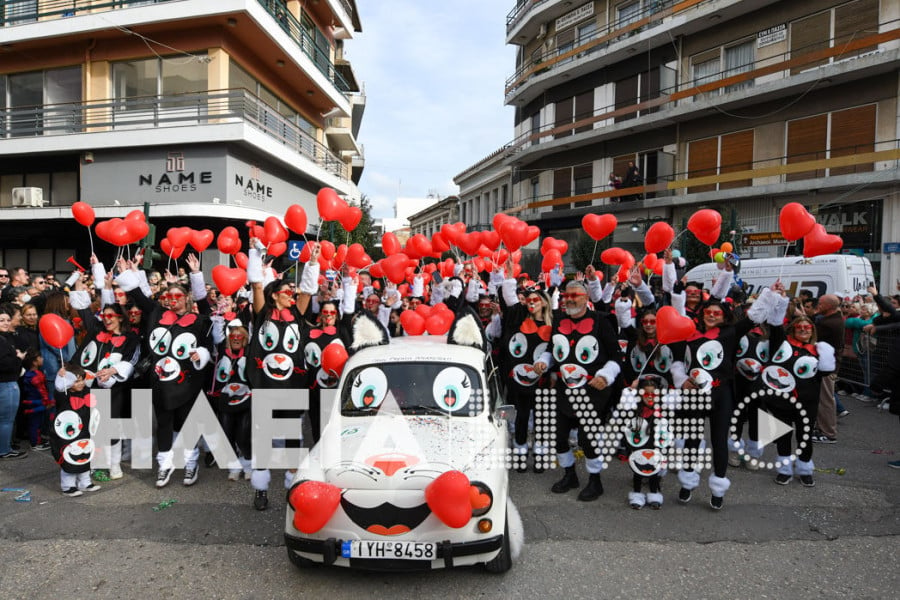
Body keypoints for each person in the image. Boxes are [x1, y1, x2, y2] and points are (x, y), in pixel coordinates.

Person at [116, 253, 213, 488]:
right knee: (164, 424)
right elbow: (138, 295)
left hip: (187, 383)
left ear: (187, 298)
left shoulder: (199, 320)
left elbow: (208, 337)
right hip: (160, 383)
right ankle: (165, 465)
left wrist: (201, 353)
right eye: (169, 296)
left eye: (178, 296)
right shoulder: (157, 315)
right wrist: (129, 274)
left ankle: (190, 464)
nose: (173, 300)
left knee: (185, 424)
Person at [535, 276, 622, 502]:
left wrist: (605, 375)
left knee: (587, 437)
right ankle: (570, 475)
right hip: (566, 387)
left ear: (585, 299)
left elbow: (616, 356)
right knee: (558, 434)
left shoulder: (602, 321)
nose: (569, 300)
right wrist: (545, 361)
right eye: (566, 296)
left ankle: (595, 481)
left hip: (593, 389)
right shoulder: (559, 320)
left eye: (575, 296)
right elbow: (553, 349)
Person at [69, 269, 141, 480]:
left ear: (120, 318)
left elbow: (132, 361)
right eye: (105, 316)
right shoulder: (95, 331)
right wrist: (80, 287)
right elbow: (83, 311)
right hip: (90, 387)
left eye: (111, 316)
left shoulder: (130, 338)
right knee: (92, 425)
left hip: (114, 390)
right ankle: (94, 460)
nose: (107, 319)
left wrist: (114, 370)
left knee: (113, 426)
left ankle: (114, 464)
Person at [498, 262, 554, 473]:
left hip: (542, 378)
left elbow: (556, 350)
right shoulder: (519, 320)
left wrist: (548, 366)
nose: (531, 303)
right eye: (528, 300)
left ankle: (539, 454)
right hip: (520, 378)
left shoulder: (552, 325)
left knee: (541, 417)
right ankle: (520, 452)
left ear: (544, 303)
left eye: (535, 300)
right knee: (521, 415)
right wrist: (509, 278)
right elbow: (511, 301)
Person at [52, 364, 101, 497]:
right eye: (76, 381)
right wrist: (61, 377)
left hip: (85, 430)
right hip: (68, 434)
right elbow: (59, 388)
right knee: (70, 458)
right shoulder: (63, 395)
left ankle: (85, 482)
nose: (80, 383)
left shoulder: (87, 391)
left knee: (85, 456)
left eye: (82, 380)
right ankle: (68, 486)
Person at [812, 294, 843, 444]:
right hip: (827, 364)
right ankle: (822, 428)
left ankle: (828, 432)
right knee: (822, 398)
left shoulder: (829, 323)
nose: (818, 306)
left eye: (820, 304)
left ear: (829, 306)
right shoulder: (834, 319)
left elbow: (813, 335)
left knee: (825, 400)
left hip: (827, 366)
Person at [0, 304, 26, 459]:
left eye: (7, 320)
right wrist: (18, 358)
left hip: (6, 383)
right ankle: (4, 450)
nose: (5, 323)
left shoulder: (5, 338)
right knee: (6, 420)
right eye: (1, 320)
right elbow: (5, 364)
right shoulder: (2, 341)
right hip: (7, 384)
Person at [20, 348, 50, 451]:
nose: (42, 359)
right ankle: (35, 443)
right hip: (36, 403)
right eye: (40, 357)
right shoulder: (36, 376)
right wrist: (47, 401)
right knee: (35, 423)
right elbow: (42, 391)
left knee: (37, 423)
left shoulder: (31, 374)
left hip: (34, 402)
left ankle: (37, 439)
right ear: (34, 362)